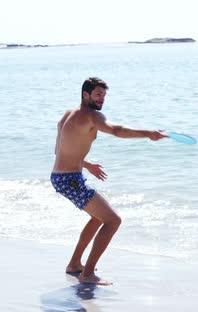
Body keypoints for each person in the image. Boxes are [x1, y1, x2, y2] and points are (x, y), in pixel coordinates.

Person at [51, 77, 167, 285]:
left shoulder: (67, 115)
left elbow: (58, 150)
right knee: (113, 220)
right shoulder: (92, 116)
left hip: (61, 177)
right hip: (70, 180)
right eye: (98, 94)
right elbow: (116, 130)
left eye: (104, 95)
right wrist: (148, 134)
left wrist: (86, 164)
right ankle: (87, 274)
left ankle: (75, 264)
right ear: (85, 95)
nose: (102, 99)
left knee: (98, 218)